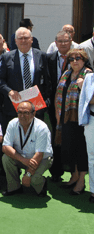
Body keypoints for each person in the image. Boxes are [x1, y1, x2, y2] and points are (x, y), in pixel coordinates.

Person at [0, 27, 50, 129]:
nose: (23, 41)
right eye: (20, 38)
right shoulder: (7, 57)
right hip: (14, 106)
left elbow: (48, 81)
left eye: (26, 38)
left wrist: (46, 101)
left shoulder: (41, 56)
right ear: (15, 41)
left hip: (36, 106)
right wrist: (9, 91)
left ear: (32, 39)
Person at [55, 48, 91, 194]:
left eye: (78, 58)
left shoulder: (88, 74)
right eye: (72, 59)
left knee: (81, 150)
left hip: (82, 119)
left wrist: (83, 85)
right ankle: (74, 175)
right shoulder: (66, 74)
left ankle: (81, 181)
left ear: (84, 60)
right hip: (66, 118)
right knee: (71, 148)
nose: (75, 61)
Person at [1, 101, 53, 197]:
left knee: (33, 180)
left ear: (33, 114)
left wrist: (28, 174)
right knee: (6, 158)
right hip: (23, 158)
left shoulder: (41, 127)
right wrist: (23, 160)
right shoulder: (12, 123)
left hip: (42, 159)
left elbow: (39, 155)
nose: (22, 116)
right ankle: (14, 187)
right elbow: (5, 147)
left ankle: (42, 183)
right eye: (19, 112)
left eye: (26, 113)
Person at [47, 30, 73, 182]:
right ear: (55, 43)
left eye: (66, 41)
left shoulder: (77, 57)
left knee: (70, 136)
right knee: (55, 136)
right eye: (60, 41)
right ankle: (56, 171)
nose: (63, 44)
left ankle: (71, 169)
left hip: (71, 105)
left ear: (71, 42)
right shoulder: (49, 58)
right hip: (52, 104)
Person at [78, 71, 94, 203]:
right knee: (92, 156)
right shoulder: (89, 78)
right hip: (92, 120)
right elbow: (89, 99)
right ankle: (93, 191)